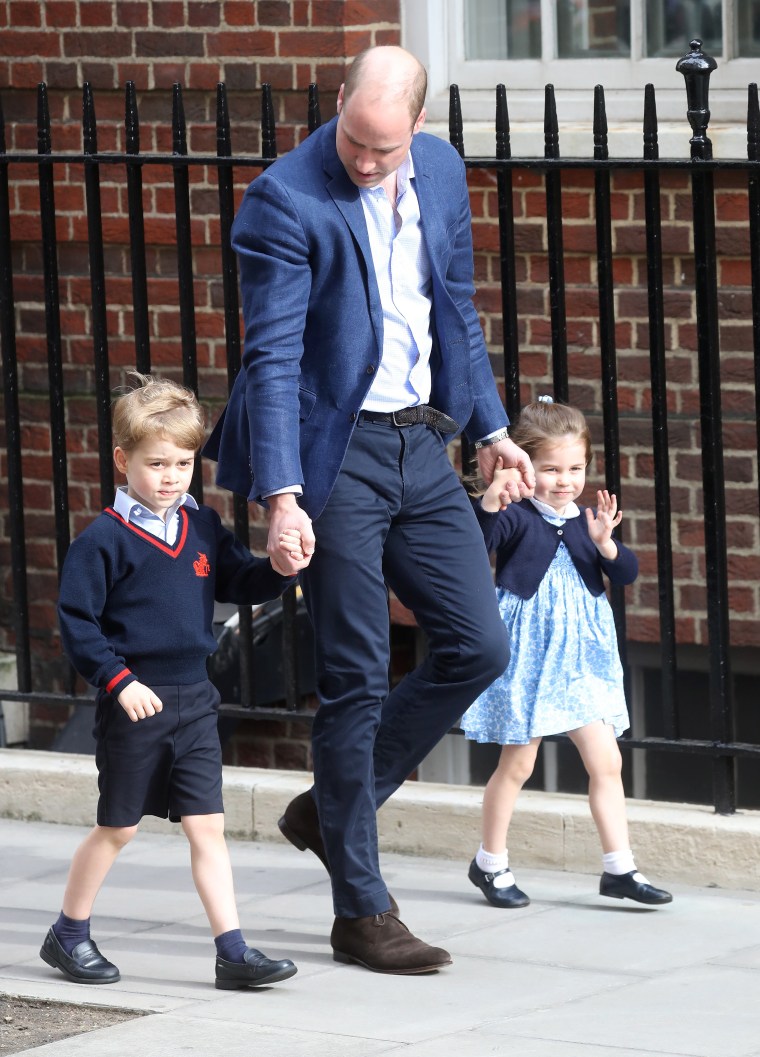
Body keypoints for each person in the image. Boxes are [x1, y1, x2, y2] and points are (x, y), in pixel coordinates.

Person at [204, 45, 535, 974]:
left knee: (479, 642)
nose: (366, 161)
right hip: (332, 455)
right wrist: (282, 496)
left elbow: (456, 307)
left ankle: (330, 805)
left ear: (418, 130)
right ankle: (362, 909)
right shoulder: (285, 198)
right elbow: (272, 360)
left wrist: (494, 427)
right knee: (352, 675)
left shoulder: (439, 169)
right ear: (340, 102)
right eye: (355, 139)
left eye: (385, 149)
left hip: (422, 444)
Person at [41, 373, 301, 989]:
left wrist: (280, 569)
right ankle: (67, 934)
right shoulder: (102, 541)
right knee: (119, 827)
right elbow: (77, 624)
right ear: (121, 460)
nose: (171, 475)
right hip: (135, 701)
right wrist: (118, 680)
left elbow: (240, 583)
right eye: (156, 462)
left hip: (195, 702)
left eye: (183, 462)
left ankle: (233, 952)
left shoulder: (203, 525)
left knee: (207, 825)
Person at [461, 398, 672, 909]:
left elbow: (625, 575)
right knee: (518, 764)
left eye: (575, 468)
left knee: (607, 760)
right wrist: (490, 500)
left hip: (581, 659)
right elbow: (475, 546)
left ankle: (619, 868)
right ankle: (490, 864)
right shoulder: (516, 515)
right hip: (530, 653)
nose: (564, 480)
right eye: (551, 469)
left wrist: (606, 545)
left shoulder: (587, 521)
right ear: (525, 466)